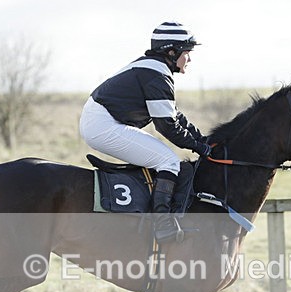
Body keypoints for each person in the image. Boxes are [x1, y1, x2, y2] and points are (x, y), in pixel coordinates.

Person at [80, 21, 212, 243]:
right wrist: (200, 147)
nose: (189, 59)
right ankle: (162, 224)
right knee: (169, 161)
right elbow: (167, 127)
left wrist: (203, 139)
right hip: (103, 125)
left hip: (102, 121)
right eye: (187, 52)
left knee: (165, 158)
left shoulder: (154, 68)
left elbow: (175, 116)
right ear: (172, 51)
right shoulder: (156, 74)